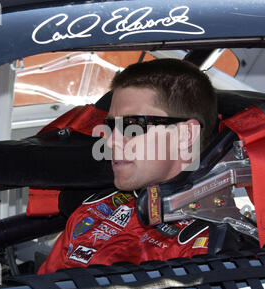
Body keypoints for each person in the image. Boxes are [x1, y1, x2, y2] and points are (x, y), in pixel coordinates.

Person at [37, 58, 217, 274]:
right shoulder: (94, 211)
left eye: (132, 126)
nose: (111, 141)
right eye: (111, 125)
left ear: (185, 135)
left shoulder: (207, 246)